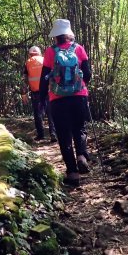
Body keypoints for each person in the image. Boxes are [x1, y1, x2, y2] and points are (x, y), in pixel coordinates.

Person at [39, 19, 91, 187]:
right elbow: (88, 73)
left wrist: (41, 99)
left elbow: (44, 77)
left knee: (64, 135)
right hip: (79, 96)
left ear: (55, 36)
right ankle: (82, 155)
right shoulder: (79, 49)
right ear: (69, 34)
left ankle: (73, 174)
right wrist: (81, 87)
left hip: (58, 99)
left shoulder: (50, 52)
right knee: (79, 128)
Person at [23, 46, 57, 142]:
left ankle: (41, 135)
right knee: (50, 113)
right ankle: (53, 133)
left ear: (30, 54)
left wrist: (24, 93)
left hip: (36, 92)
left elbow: (25, 78)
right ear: (39, 53)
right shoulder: (44, 60)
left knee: (38, 113)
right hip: (48, 90)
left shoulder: (28, 62)